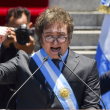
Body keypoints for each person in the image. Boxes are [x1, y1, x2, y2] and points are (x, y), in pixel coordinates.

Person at [0, 6, 102, 109]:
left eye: (61, 35)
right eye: (49, 35)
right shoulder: (23, 62)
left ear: (69, 37)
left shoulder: (87, 66)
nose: (55, 41)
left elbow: (93, 106)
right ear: (40, 37)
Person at [0, 7, 40, 109]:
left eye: (22, 28)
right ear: (6, 27)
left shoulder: (37, 43)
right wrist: (3, 47)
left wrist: (30, 52)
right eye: (15, 29)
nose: (19, 33)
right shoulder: (3, 43)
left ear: (30, 26)